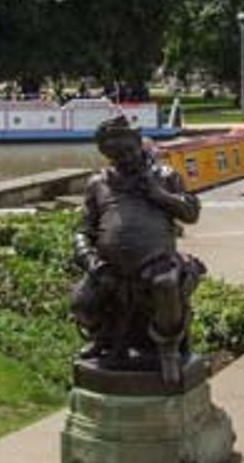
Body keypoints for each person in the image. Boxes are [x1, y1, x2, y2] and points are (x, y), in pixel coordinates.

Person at [70, 115, 205, 386]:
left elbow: (191, 213)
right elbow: (82, 230)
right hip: (108, 266)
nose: (127, 158)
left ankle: (167, 347)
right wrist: (90, 260)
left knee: (166, 285)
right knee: (81, 303)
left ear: (139, 144)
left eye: (130, 150)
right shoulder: (99, 183)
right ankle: (102, 338)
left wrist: (159, 195)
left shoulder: (165, 177)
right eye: (117, 155)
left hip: (155, 260)